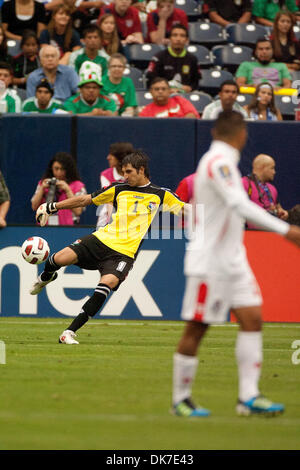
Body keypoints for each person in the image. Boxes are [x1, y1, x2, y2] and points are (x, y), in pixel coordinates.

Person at [171, 110, 300, 418]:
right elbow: (239, 205)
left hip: (233, 259)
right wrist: (287, 231)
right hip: (211, 262)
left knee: (253, 319)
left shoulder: (225, 162)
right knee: (197, 328)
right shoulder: (217, 162)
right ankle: (181, 399)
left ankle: (248, 397)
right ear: (241, 134)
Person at [30, 150, 186, 345]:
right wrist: (52, 206)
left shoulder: (161, 194)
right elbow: (84, 200)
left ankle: (68, 332)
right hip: (101, 240)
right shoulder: (119, 188)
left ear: (142, 170)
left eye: (128, 172)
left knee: (106, 285)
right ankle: (47, 276)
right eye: (123, 172)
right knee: (57, 259)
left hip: (123, 253)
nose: (125, 176)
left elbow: (186, 209)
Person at [31, 151, 87, 225]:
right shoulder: (43, 183)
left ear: (68, 169)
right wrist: (42, 189)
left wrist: (68, 190)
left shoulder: (78, 186)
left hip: (69, 228)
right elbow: (34, 207)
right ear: (51, 168)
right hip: (45, 227)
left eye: (62, 169)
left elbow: (78, 211)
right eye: (56, 168)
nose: (59, 172)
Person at [145, 24, 201, 93]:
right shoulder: (159, 57)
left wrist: (190, 88)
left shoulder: (192, 59)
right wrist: (167, 89)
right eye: (175, 35)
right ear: (169, 39)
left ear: (187, 40)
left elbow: (196, 82)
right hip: (163, 95)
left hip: (185, 96)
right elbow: (151, 80)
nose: (178, 39)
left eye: (182, 36)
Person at [242, 153, 288, 229]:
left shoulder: (272, 188)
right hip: (249, 235)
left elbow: (278, 208)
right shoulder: (243, 183)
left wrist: (282, 212)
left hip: (270, 234)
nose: (274, 172)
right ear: (263, 167)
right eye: (272, 168)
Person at [96, 141, 134, 228]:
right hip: (107, 220)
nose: (108, 158)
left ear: (120, 158)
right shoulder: (105, 175)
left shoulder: (135, 175)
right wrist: (111, 221)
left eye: (111, 155)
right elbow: (109, 199)